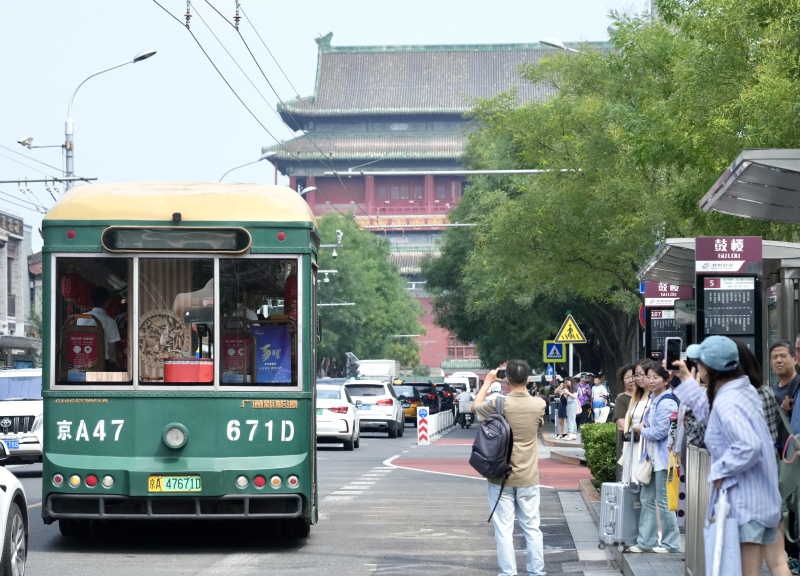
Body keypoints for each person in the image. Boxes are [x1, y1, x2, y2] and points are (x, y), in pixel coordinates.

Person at [673, 336, 783, 576]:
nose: (697, 366)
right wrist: (685, 380)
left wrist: (720, 471)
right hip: (762, 498)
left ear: (708, 368)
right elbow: (710, 413)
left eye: (699, 362)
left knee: (744, 572)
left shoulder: (728, 401)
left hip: (745, 503)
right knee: (773, 567)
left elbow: (747, 446)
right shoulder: (742, 392)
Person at [472, 360, 547, 576]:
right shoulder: (539, 404)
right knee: (532, 527)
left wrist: (486, 383)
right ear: (529, 380)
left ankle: (508, 573)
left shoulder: (498, 403)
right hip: (529, 476)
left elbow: (475, 408)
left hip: (499, 476)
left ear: (506, 380)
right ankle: (537, 572)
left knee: (504, 529)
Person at [630, 361, 682, 553]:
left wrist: (642, 430)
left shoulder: (667, 402)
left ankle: (671, 543)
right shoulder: (655, 399)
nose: (651, 381)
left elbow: (660, 432)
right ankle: (646, 542)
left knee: (663, 501)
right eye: (648, 377)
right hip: (653, 459)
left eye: (656, 377)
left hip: (664, 460)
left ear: (666, 380)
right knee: (647, 498)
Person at [621, 360, 650, 484]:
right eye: (636, 375)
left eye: (641, 374)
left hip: (646, 445)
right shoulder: (637, 396)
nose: (638, 378)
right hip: (633, 444)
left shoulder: (655, 397)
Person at [77, 286, 121, 367]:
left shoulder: (81, 317)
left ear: (91, 301)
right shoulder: (110, 322)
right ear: (107, 302)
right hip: (102, 363)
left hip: (81, 362)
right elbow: (112, 352)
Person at [613, 363, 636, 481]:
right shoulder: (622, 399)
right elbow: (621, 426)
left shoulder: (648, 396)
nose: (631, 380)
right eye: (627, 377)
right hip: (629, 446)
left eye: (634, 376)